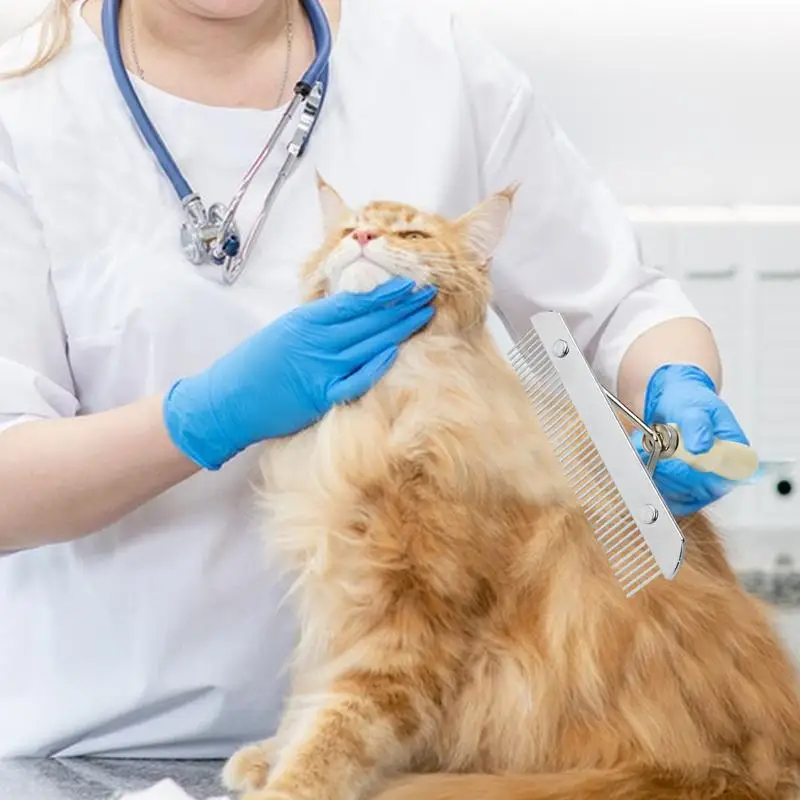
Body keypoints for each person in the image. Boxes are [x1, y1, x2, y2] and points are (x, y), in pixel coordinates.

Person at [0, 0, 751, 759]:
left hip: (426, 745)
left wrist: (675, 383)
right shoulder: (24, 103)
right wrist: (200, 419)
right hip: (104, 744)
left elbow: (618, 304)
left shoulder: (436, 67)